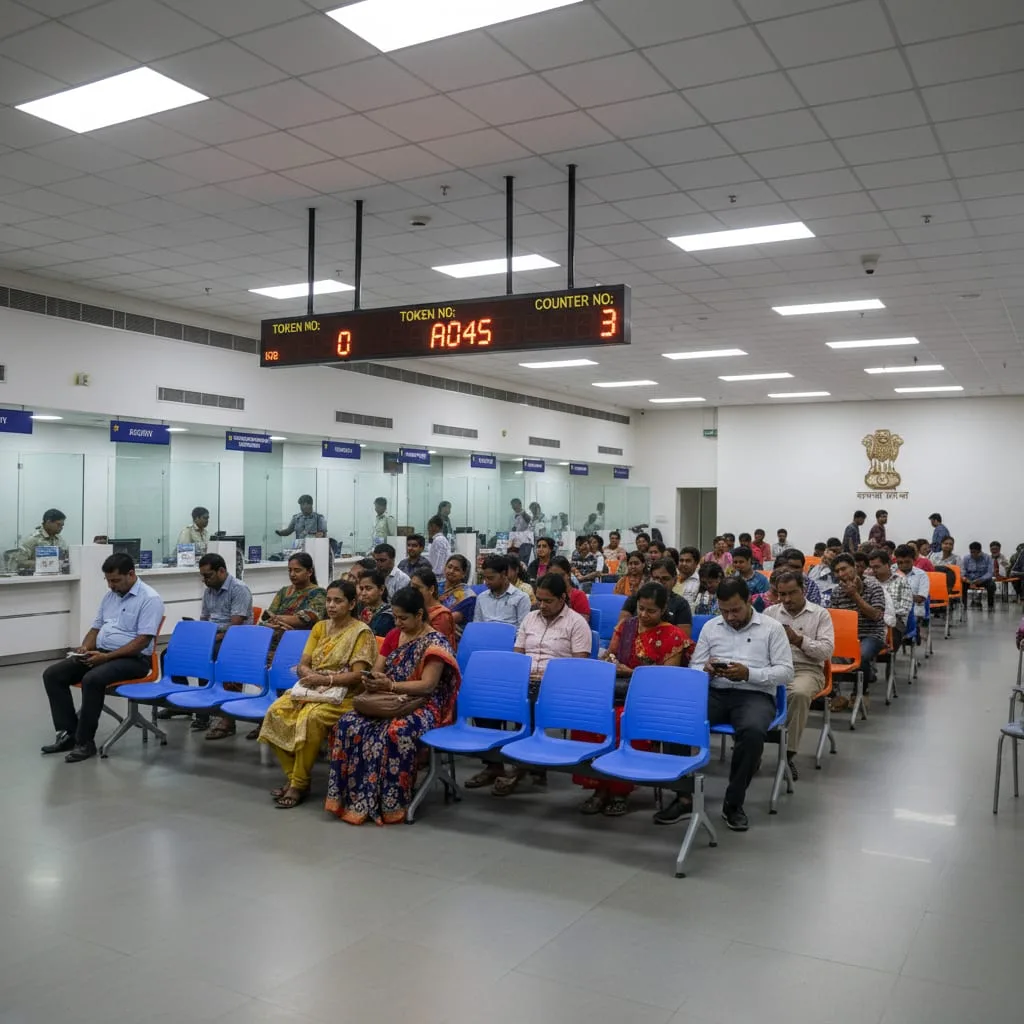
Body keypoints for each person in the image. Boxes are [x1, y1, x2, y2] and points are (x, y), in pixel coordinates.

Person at [657, 578, 793, 831]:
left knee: (752, 732)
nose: (730, 617)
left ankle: (733, 802)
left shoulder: (772, 628)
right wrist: (706, 669)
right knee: (677, 721)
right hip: (716, 691)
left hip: (755, 694)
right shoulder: (711, 627)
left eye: (735, 610)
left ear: (749, 601)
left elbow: (786, 673)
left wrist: (748, 674)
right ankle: (684, 796)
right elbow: (694, 667)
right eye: (724, 611)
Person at [325, 587, 460, 825]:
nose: (397, 623)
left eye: (403, 618)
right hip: (389, 698)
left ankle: (391, 803)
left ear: (419, 615)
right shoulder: (394, 636)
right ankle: (354, 798)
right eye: (395, 617)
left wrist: (391, 685)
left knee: (396, 731)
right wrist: (372, 680)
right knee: (348, 724)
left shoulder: (435, 643)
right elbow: (378, 670)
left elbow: (427, 686)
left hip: (423, 704)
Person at [577, 581, 693, 815]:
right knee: (590, 717)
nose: (644, 615)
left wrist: (632, 672)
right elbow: (609, 655)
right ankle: (599, 787)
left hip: (649, 697)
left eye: (651, 611)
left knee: (622, 720)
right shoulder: (626, 626)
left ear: (663, 610)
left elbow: (667, 678)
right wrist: (609, 662)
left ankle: (620, 790)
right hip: (617, 690)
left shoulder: (673, 635)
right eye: (641, 608)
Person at [259, 580, 377, 808]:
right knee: (274, 712)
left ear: (352, 604)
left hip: (344, 696)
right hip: (312, 688)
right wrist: (308, 674)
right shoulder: (320, 627)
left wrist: (325, 680)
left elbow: (358, 675)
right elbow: (304, 663)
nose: (331, 605)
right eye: (329, 600)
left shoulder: (361, 632)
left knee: (310, 718)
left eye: (338, 601)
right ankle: (295, 777)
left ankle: (298, 784)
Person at [41, 553, 164, 763]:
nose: (110, 586)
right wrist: (85, 648)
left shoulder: (150, 599)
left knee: (92, 679)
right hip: (102, 653)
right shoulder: (110, 597)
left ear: (131, 574)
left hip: (134, 660)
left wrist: (106, 658)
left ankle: (85, 742)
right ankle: (69, 734)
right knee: (53, 674)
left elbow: (142, 641)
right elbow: (95, 628)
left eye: (115, 580)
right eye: (108, 580)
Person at [485, 573, 594, 796]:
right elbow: (518, 655)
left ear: (562, 598)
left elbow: (578, 667)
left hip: (556, 685)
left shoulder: (577, 623)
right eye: (539, 600)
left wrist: (547, 679)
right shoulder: (530, 619)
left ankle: (520, 766)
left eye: (548, 601)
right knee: (488, 700)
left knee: (530, 704)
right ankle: (494, 764)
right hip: (525, 679)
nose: (542, 605)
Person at [763, 571, 834, 780]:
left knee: (800, 694)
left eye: (791, 593)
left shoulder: (820, 614)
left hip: (807, 669)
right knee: (746, 689)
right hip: (774, 667)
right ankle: (752, 747)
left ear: (803, 590)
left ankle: (787, 755)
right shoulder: (769, 613)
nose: (786, 599)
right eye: (781, 594)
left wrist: (798, 640)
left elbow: (826, 651)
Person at [191, 553, 256, 740]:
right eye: (202, 576)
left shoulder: (239, 589)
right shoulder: (209, 591)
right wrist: (201, 635)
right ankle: (201, 708)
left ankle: (219, 714)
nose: (205, 580)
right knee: (171, 653)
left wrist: (211, 638)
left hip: (237, 639)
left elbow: (235, 626)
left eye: (208, 576)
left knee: (210, 654)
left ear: (221, 571)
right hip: (215, 637)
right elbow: (204, 619)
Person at [828, 553, 886, 709]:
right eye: (837, 571)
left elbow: (876, 615)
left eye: (844, 569)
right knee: (822, 654)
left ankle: (860, 692)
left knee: (861, 654)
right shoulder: (837, 592)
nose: (841, 574)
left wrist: (854, 596)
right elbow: (834, 621)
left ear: (854, 567)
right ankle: (833, 696)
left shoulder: (873, 587)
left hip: (871, 634)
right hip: (846, 637)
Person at [259, 551, 327, 654]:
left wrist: (276, 619)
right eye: (290, 570)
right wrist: (270, 624)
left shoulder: (318, 593)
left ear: (309, 572)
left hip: (301, 644)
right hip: (275, 641)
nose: (292, 574)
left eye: (297, 570)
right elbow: (268, 616)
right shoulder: (283, 591)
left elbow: (308, 618)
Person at [618, 558, 692, 632]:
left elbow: (683, 636)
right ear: (650, 579)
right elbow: (622, 630)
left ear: (675, 580)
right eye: (655, 578)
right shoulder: (636, 597)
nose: (659, 582)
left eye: (665, 579)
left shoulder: (681, 604)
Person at [868, 549, 912, 646]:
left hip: (895, 623)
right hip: (870, 621)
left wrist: (881, 615)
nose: (873, 570)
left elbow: (904, 609)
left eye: (877, 567)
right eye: (871, 567)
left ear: (888, 564)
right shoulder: (869, 581)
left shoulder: (901, 581)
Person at [473, 554, 531, 626]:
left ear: (503, 574)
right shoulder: (481, 597)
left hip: (510, 633)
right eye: (484, 578)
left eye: (490, 578)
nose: (486, 582)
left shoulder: (521, 598)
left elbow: (523, 628)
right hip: (485, 632)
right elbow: (477, 625)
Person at [409, 566, 457, 648]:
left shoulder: (441, 616)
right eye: (412, 588)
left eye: (417, 588)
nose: (413, 592)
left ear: (431, 589)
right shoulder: (415, 608)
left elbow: (439, 646)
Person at [894, 544, 931, 640]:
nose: (904, 565)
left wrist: (902, 597)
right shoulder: (890, 571)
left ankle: (909, 632)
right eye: (900, 562)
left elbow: (921, 598)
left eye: (907, 562)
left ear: (914, 560)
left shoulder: (921, 575)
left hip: (913, 609)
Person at [546, 555, 591, 621]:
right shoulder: (546, 595)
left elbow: (582, 623)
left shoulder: (578, 596)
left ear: (568, 575)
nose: (556, 580)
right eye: (552, 576)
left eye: (560, 575)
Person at [439, 553, 476, 627]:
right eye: (449, 567)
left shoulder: (468, 596)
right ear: (445, 568)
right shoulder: (434, 587)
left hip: (452, 631)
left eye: (457, 569)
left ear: (463, 574)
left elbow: (449, 619)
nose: (451, 571)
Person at [356, 570, 395, 637]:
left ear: (381, 589)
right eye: (361, 589)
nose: (363, 593)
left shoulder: (388, 616)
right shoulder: (361, 610)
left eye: (368, 588)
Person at [962, 541, 995, 611]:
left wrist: (981, 579)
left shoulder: (987, 558)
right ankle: (963, 605)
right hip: (969, 580)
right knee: (961, 584)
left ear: (980, 551)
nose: (973, 554)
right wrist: (965, 579)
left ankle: (990, 606)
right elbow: (963, 571)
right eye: (971, 552)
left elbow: (990, 573)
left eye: (975, 552)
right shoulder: (966, 558)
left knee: (992, 585)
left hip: (983, 580)